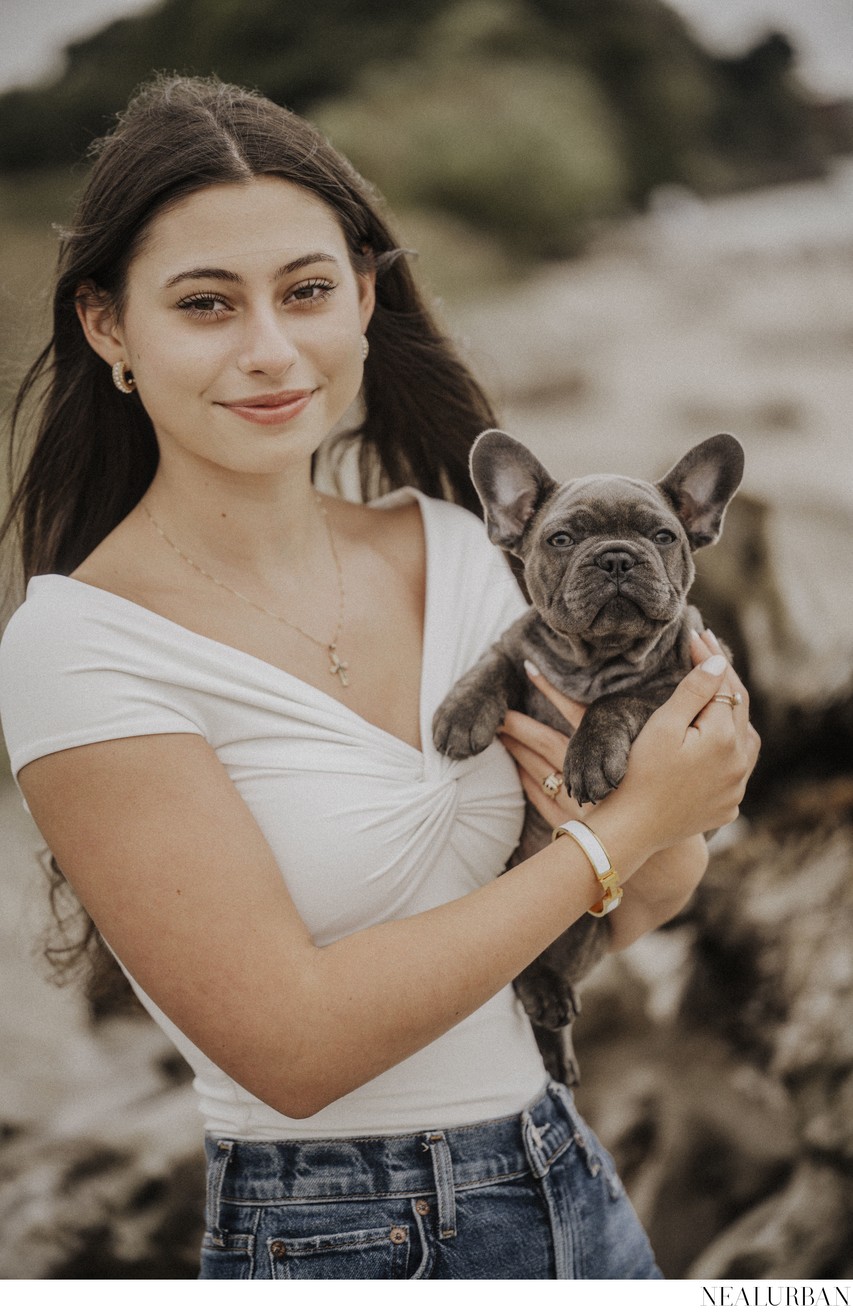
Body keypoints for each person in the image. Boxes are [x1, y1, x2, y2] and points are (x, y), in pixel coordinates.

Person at [0, 75, 758, 1281]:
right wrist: (617, 835)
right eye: (205, 304)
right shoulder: (83, 645)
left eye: (306, 292)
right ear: (107, 328)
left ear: (363, 297)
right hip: (331, 1231)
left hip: (574, 1186)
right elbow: (290, 1048)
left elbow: (648, 900)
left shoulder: (466, 551)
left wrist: (681, 791)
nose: (269, 349)